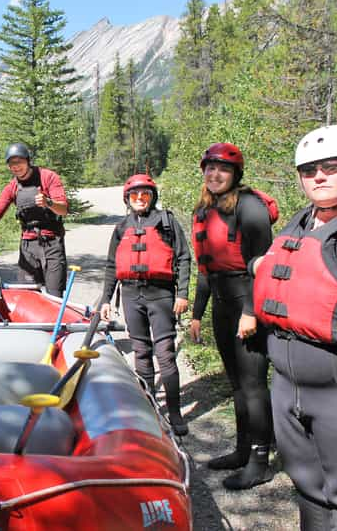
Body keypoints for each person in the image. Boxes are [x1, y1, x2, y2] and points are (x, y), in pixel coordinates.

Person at [251, 124, 337, 528]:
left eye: (333, 165)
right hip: (290, 389)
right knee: (309, 491)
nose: (319, 176)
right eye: (309, 169)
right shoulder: (301, 221)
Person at [189, 142, 276, 490]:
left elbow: (264, 266)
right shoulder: (204, 209)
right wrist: (197, 315)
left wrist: (251, 312)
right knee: (237, 384)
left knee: (254, 384)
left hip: (248, 300)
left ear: (235, 175)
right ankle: (242, 451)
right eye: (209, 168)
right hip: (223, 304)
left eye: (222, 169)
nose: (215, 174)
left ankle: (260, 460)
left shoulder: (250, 207)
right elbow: (206, 269)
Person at [99, 174, 191, 436]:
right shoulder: (121, 227)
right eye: (134, 195)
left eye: (145, 194)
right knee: (140, 352)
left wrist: (182, 294)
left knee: (165, 354)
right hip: (130, 295)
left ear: (152, 197)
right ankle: (150, 409)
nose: (140, 199)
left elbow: (184, 258)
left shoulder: (166, 222)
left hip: (160, 294)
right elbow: (111, 266)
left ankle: (174, 413)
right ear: (127, 199)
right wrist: (106, 299)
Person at [0, 142, 69, 296]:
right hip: (27, 246)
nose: (16, 166)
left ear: (28, 160)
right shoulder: (12, 187)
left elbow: (64, 209)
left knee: (55, 295)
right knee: (27, 295)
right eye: (11, 163)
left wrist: (48, 202)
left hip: (52, 242)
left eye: (19, 162)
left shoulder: (48, 177)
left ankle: (55, 320)